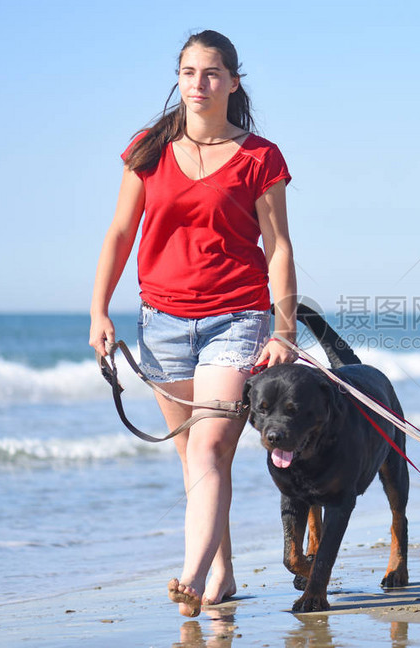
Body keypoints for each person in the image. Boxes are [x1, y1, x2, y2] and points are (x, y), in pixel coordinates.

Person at [89, 30, 297, 617]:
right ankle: (223, 573)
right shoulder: (149, 148)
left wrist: (284, 329)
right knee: (194, 459)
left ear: (233, 81)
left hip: (238, 318)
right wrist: (98, 308)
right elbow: (120, 234)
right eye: (187, 73)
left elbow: (279, 247)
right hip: (162, 323)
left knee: (209, 449)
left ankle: (191, 574)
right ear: (177, 79)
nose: (198, 84)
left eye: (210, 73)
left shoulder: (261, 157)